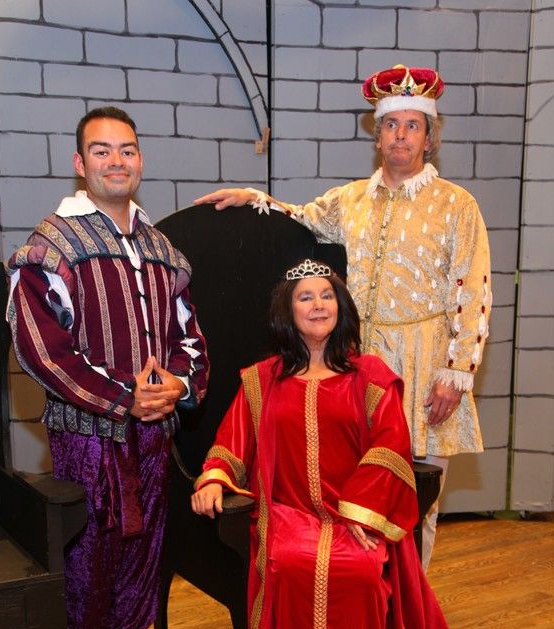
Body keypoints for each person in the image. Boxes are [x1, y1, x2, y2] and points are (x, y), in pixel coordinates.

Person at [191, 259, 531, 629]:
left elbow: (390, 448)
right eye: (306, 297)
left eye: (327, 295)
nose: (318, 305)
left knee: (349, 570)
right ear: (288, 311)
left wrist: (361, 516)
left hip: (356, 519)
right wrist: (212, 478)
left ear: (341, 308)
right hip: (289, 516)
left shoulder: (371, 376)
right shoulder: (261, 380)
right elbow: (232, 442)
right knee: (295, 566)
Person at [194, 64, 492, 568]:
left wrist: (456, 374)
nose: (401, 135)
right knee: (357, 482)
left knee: (417, 493)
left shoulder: (456, 205)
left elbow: (474, 291)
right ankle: (358, 590)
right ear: (377, 136)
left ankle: (406, 608)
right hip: (356, 363)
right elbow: (301, 215)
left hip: (425, 366)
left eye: (412, 125)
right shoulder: (351, 198)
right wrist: (254, 198)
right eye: (391, 125)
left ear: (429, 137)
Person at [7, 107, 209, 629]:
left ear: (140, 161)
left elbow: (189, 336)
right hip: (86, 438)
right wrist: (124, 398)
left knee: (143, 551)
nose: (116, 161)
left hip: (154, 436)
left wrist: (178, 384)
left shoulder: (162, 251)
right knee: (88, 558)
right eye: (101, 151)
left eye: (127, 150)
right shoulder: (52, 244)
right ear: (79, 163)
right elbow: (42, 348)